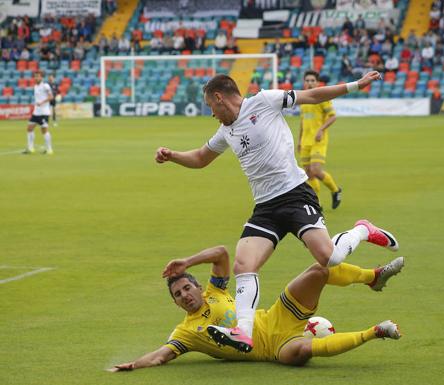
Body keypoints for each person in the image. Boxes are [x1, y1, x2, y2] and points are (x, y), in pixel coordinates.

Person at [155, 71, 397, 353]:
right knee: (244, 265)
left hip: (295, 194)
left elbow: (313, 96)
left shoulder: (264, 101)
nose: (212, 114)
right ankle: (242, 332)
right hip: (266, 207)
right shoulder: (226, 131)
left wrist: (356, 85)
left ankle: (362, 230)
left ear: (219, 98)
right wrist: (173, 156)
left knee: (329, 257)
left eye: (210, 106)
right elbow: (199, 158)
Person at [108, 245, 404, 371]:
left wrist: (186, 262)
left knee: (319, 270)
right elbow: (161, 355)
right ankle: (375, 331)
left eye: (187, 288)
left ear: (198, 287)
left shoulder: (216, 290)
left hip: (278, 314)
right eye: (178, 294)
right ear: (174, 303)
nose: (185, 295)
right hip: (274, 349)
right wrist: (134, 364)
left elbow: (221, 253)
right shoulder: (186, 333)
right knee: (300, 352)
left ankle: (373, 278)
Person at [297, 70, 341, 209]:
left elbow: (333, 116)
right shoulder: (303, 99)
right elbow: (303, 121)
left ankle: (335, 190)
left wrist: (321, 129)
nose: (310, 83)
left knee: (315, 170)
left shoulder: (322, 97)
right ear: (304, 82)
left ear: (317, 82)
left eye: (312, 81)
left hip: (318, 140)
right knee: (308, 174)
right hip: (305, 141)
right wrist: (299, 140)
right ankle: (317, 204)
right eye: (307, 80)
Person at [23, 70, 54, 155]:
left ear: (41, 77)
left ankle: (49, 149)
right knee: (29, 128)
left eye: (38, 76)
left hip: (44, 112)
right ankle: (30, 148)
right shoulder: (35, 86)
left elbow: (51, 97)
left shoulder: (45, 85)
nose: (36, 78)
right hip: (36, 112)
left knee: (44, 130)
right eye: (35, 76)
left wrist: (42, 102)